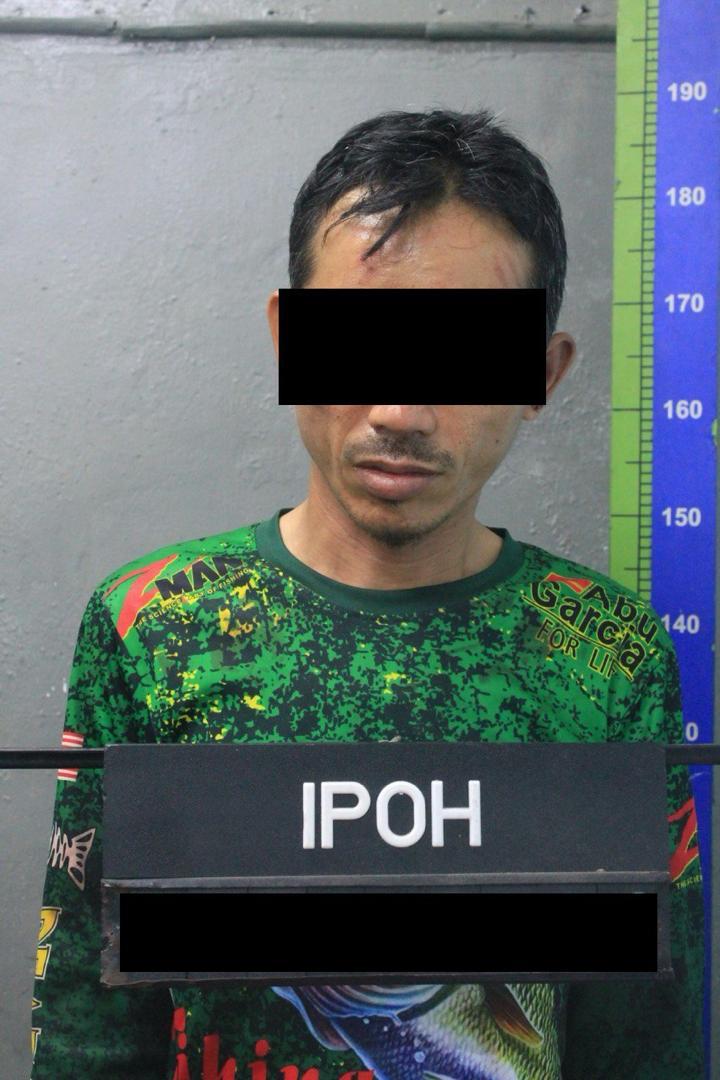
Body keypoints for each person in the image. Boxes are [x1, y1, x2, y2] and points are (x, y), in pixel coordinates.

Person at [30, 107, 704, 1080]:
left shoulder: (605, 653)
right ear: (287, 338)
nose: (401, 411)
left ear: (542, 374)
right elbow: (88, 1026)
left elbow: (644, 1044)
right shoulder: (154, 627)